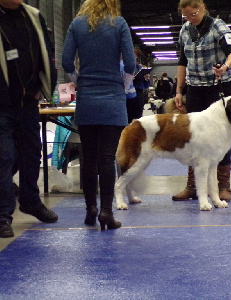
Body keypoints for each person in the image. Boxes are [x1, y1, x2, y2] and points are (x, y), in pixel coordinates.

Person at [62, 0, 136, 230]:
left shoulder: (76, 24)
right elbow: (131, 64)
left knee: (89, 158)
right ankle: (106, 212)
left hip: (87, 101)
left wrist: (79, 81)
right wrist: (121, 87)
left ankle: (90, 209)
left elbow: (66, 62)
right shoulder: (119, 23)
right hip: (112, 100)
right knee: (107, 158)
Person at [0, 0, 59, 238]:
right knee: (4, 157)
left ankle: (30, 201)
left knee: (33, 153)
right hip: (2, 105)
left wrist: (43, 86)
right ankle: (3, 215)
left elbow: (46, 50)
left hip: (29, 102)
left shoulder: (34, 16)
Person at [174, 0, 231, 202]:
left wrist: (224, 67)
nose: (190, 18)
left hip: (219, 87)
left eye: (193, 14)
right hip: (195, 89)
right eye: (186, 16)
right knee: (194, 139)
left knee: (221, 138)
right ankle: (193, 186)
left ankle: (224, 186)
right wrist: (178, 91)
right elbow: (182, 62)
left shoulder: (218, 26)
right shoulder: (184, 30)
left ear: (201, 7)